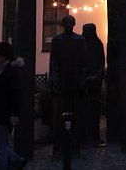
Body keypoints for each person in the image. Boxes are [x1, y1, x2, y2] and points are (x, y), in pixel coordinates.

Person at [0, 42, 27, 170]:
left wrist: (14, 113)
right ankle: (17, 160)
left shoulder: (12, 72)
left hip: (4, 114)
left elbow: (17, 94)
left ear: (3, 55)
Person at [49, 15, 86, 157]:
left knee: (76, 114)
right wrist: (54, 79)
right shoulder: (57, 40)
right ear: (63, 24)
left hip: (75, 81)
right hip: (62, 81)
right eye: (67, 23)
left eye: (71, 22)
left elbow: (83, 62)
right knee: (60, 114)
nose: (69, 25)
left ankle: (75, 146)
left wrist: (82, 79)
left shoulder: (80, 40)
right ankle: (59, 146)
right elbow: (54, 61)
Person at [80, 23, 105, 146]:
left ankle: (94, 136)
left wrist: (96, 77)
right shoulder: (80, 44)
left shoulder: (98, 45)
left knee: (94, 112)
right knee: (83, 112)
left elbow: (101, 63)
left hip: (95, 84)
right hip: (84, 83)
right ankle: (84, 136)